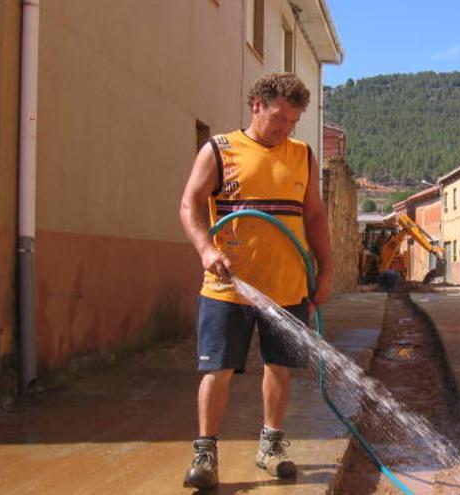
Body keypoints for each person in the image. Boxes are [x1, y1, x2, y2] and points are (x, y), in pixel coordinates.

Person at [179, 73, 333, 490]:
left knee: (280, 368)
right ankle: (205, 453)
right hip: (228, 287)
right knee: (217, 370)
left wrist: (325, 270)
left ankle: (271, 446)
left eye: (293, 121)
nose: (285, 128)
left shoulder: (302, 155)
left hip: (287, 285)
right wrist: (206, 250)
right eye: (279, 118)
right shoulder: (220, 150)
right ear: (257, 106)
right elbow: (190, 204)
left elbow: (315, 215)